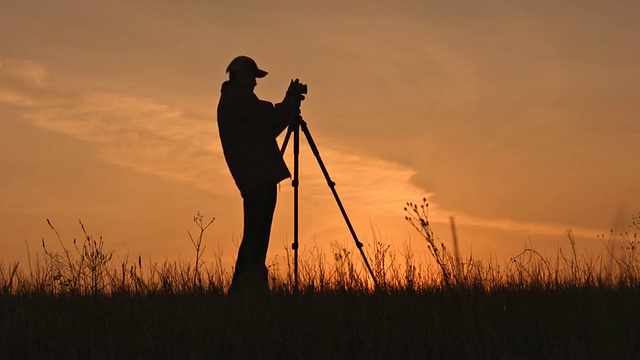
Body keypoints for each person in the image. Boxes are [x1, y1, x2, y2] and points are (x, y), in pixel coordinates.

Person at [217, 55, 304, 294]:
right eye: (253, 77)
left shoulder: (236, 101)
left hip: (255, 175)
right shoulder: (238, 100)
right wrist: (290, 102)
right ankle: (248, 288)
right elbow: (270, 119)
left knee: (256, 233)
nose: (255, 83)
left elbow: (268, 125)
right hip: (257, 177)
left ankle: (247, 288)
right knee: (256, 234)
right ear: (242, 76)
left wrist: (287, 107)